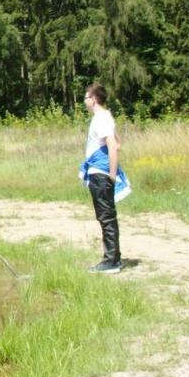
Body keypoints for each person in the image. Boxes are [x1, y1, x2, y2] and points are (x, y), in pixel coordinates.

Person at [79, 83, 128, 273]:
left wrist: (112, 176)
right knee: (105, 215)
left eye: (86, 97)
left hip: (101, 174)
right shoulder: (105, 117)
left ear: (93, 99)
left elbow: (113, 145)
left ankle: (111, 261)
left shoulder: (101, 118)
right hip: (99, 172)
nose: (84, 101)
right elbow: (118, 141)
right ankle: (114, 257)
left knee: (106, 216)